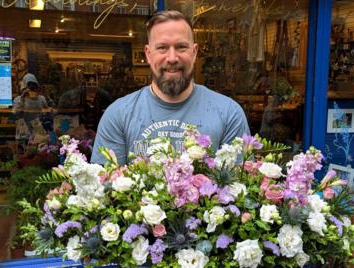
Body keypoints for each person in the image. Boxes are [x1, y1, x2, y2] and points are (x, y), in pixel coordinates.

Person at [91, 10, 249, 165]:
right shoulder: (119, 114)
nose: (172, 58)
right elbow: (105, 187)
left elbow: (238, 186)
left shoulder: (228, 113)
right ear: (148, 53)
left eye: (181, 47)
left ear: (194, 52)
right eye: (162, 48)